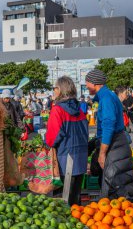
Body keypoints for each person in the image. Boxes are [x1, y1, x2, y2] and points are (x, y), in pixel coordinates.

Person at [85, 69, 133, 200]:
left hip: (114, 147)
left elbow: (108, 126)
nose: (86, 86)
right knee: (117, 184)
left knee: (115, 187)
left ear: (94, 83)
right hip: (118, 145)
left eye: (87, 83)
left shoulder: (107, 98)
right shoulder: (109, 95)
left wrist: (102, 153)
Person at [46, 76, 88, 205]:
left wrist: (46, 143)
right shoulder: (79, 110)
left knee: (63, 201)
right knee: (75, 198)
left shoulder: (58, 110)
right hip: (80, 159)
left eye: (54, 88)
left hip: (65, 160)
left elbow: (53, 138)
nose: (53, 91)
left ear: (60, 90)